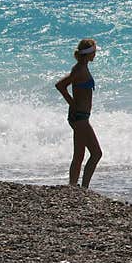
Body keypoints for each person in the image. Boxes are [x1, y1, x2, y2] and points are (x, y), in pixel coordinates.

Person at [55, 38, 102, 188]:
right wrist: (72, 103)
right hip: (79, 117)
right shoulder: (80, 69)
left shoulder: (83, 67)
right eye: (94, 52)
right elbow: (60, 85)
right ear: (88, 54)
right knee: (96, 153)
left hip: (81, 116)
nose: (95, 54)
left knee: (80, 154)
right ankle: (81, 188)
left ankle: (75, 187)